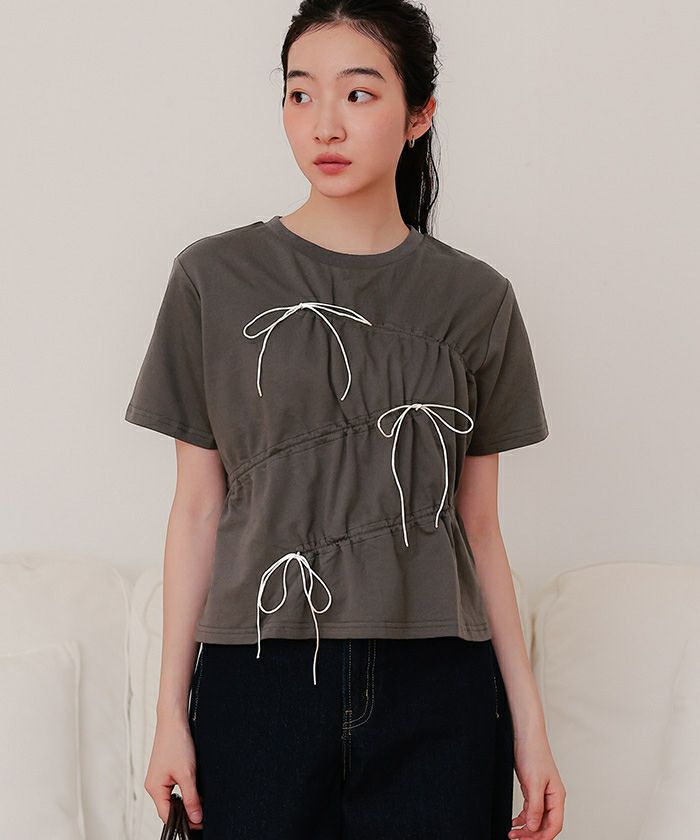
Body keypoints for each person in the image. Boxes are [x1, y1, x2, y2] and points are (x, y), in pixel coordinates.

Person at [125, 1, 566, 837]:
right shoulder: (213, 280)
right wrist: (169, 715)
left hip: (440, 684)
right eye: (301, 94)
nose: (324, 123)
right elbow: (197, 509)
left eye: (358, 94)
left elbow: (479, 528)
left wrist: (531, 733)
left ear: (419, 114)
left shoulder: (476, 299)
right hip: (259, 678)